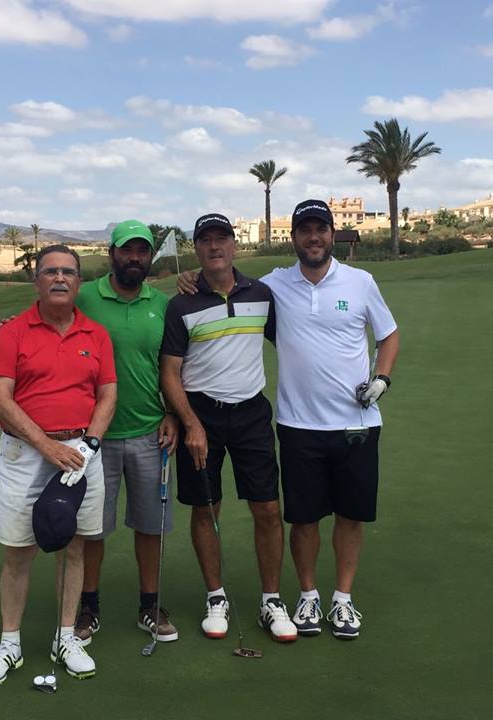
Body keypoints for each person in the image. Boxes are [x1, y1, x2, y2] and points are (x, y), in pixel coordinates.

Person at [177, 199, 399, 640]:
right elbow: (227, 282)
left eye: (321, 229)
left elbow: (388, 335)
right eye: (305, 230)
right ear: (294, 237)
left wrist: (382, 379)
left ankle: (343, 599)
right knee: (304, 517)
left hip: (357, 422)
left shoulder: (361, 282)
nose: (313, 237)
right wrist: (191, 278)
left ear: (332, 235)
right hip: (298, 424)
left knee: (350, 516)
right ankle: (308, 595)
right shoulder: (273, 285)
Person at [0, 244, 117, 687]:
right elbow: (0, 398)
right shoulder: (13, 332)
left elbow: (107, 395)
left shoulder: (96, 334)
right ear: (36, 280)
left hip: (81, 452)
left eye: (68, 272)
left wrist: (90, 444)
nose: (60, 278)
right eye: (50, 271)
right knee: (18, 551)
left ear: (79, 282)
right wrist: (45, 445)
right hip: (25, 452)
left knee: (74, 546)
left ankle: (65, 637)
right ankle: (10, 643)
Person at [160, 213, 298, 643]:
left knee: (268, 509)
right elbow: (169, 372)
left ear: (234, 245)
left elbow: (292, 340)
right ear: (197, 248)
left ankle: (271, 599)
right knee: (206, 508)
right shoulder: (181, 303)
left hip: (251, 413)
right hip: (200, 414)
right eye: (206, 240)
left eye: (222, 238)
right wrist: (190, 423)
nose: (214, 246)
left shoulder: (262, 294)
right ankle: (215, 596)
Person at [72, 220, 179, 645]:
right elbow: (44, 320)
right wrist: (10, 326)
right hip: (93, 435)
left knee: (150, 525)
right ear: (111, 253)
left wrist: (172, 413)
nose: (134, 257)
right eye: (126, 250)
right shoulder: (85, 297)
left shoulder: (163, 304)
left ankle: (149, 605)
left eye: (142, 250)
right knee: (91, 528)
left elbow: (172, 368)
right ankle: (89, 607)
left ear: (150, 256)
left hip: (150, 432)